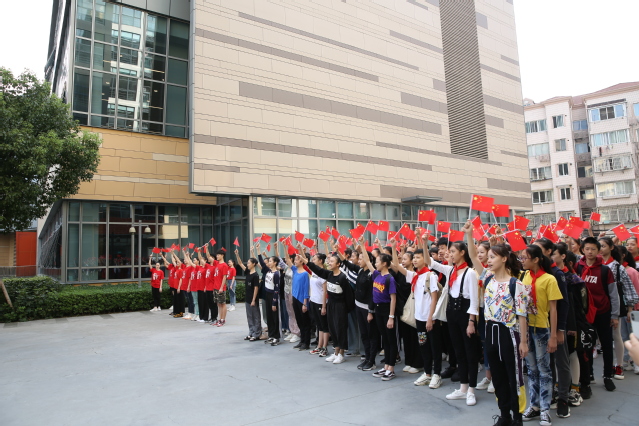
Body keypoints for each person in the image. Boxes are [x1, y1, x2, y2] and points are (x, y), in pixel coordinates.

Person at [426, 237, 480, 406]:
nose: (449, 254)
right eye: (449, 252)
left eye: (453, 252)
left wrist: (471, 322)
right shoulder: (450, 270)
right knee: (458, 351)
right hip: (452, 313)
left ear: (462, 253)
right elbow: (430, 262)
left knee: (470, 352)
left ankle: (471, 389)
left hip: (465, 314)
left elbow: (474, 301)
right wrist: (422, 241)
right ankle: (463, 387)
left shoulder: (470, 273)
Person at [482, 244, 529, 426]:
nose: (488, 261)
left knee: (514, 377)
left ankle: (517, 416)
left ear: (504, 259)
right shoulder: (488, 279)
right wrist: (469, 235)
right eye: (488, 257)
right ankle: (504, 415)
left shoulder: (516, 284)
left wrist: (523, 341)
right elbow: (473, 257)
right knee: (498, 376)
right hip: (490, 332)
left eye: (492, 257)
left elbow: (522, 315)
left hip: (508, 334)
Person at [393, 231, 443, 389]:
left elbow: (434, 298)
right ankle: (427, 373)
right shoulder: (415, 276)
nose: (414, 260)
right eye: (413, 257)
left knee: (434, 347)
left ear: (425, 259)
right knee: (424, 346)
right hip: (419, 319)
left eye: (418, 257)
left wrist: (430, 318)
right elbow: (396, 266)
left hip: (430, 319)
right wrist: (394, 248)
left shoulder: (430, 276)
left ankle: (437, 374)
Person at [521, 244, 562, 426]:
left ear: (536, 259)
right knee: (531, 369)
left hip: (542, 329)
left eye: (525, 257)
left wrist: (553, 336)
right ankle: (534, 405)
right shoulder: (524, 276)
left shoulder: (549, 279)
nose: (522, 261)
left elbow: (553, 309)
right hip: (526, 328)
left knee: (544, 369)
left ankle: (545, 408)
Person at [576, 237, 620, 393]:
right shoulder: (578, 267)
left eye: (593, 249)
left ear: (598, 251)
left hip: (603, 312)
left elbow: (613, 294)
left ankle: (607, 376)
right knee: (587, 346)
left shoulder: (605, 270)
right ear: (582, 250)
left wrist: (614, 315)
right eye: (587, 249)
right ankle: (589, 375)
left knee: (607, 345)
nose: (590, 252)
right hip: (585, 314)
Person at [535, 238, 570, 418]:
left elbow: (563, 304)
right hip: (541, 326)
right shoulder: (536, 272)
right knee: (546, 365)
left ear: (549, 251)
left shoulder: (556, 273)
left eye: (538, 249)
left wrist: (559, 330)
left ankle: (564, 398)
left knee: (561, 362)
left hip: (555, 327)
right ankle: (551, 396)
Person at [301, 242, 350, 365]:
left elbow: (348, 295)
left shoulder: (342, 277)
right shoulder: (329, 274)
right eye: (329, 261)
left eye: (332, 261)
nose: (329, 263)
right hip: (331, 305)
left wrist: (345, 309)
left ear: (338, 264)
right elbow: (316, 269)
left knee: (340, 329)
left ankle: (341, 353)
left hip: (340, 306)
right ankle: (336, 352)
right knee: (333, 328)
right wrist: (305, 260)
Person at [597, 236, 639, 380]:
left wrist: (630, 309)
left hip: (613, 305)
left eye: (603, 246)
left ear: (611, 247)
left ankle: (619, 365)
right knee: (601, 337)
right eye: (599, 246)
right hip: (596, 306)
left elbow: (629, 289)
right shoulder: (594, 265)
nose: (600, 249)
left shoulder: (617, 267)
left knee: (616, 335)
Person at [360, 249, 398, 381]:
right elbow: (367, 260)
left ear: (384, 263)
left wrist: (391, 317)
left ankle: (391, 368)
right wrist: (361, 245)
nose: (375, 264)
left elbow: (393, 299)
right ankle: (386, 366)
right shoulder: (376, 275)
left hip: (387, 310)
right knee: (385, 339)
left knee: (391, 340)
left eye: (377, 262)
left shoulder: (390, 279)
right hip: (378, 310)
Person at [348, 245, 379, 370]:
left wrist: (370, 311)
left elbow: (372, 294)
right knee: (364, 334)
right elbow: (347, 264)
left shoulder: (372, 274)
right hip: (359, 306)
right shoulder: (360, 270)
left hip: (368, 308)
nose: (358, 261)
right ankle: (366, 357)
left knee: (372, 335)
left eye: (361, 259)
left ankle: (372, 360)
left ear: (367, 260)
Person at [284, 245, 312, 351]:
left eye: (296, 260)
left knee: (305, 322)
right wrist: (284, 247)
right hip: (295, 298)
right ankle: (302, 340)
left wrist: (305, 303)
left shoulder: (305, 274)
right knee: (299, 321)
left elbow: (306, 289)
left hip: (302, 300)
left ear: (301, 262)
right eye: (295, 260)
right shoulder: (295, 270)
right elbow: (287, 259)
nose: (294, 261)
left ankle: (306, 342)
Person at [618, 245, 639, 373]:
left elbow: (636, 290)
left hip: (634, 308)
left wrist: (632, 309)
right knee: (624, 335)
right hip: (621, 308)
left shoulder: (631, 271)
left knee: (635, 335)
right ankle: (626, 360)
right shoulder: (615, 269)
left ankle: (637, 362)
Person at [235, 249, 262, 341]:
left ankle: (257, 333)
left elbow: (256, 288)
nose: (247, 264)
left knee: (256, 316)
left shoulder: (256, 275)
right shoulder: (247, 272)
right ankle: (251, 332)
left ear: (254, 264)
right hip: (247, 298)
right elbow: (240, 263)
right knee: (249, 316)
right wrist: (237, 254)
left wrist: (253, 300)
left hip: (253, 299)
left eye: (249, 263)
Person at [308, 253, 330, 357]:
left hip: (321, 302)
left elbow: (325, 291)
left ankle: (325, 347)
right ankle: (319, 346)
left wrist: (324, 306)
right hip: (313, 301)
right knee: (319, 325)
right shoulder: (314, 271)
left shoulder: (323, 273)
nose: (313, 260)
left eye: (314, 259)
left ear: (320, 261)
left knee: (324, 326)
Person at [259, 254, 281, 345]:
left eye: (270, 261)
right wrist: (259, 252)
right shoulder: (268, 271)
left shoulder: (276, 274)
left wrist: (274, 302)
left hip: (273, 296)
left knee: (274, 317)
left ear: (275, 263)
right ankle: (271, 335)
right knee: (269, 316)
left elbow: (276, 289)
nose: (269, 263)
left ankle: (276, 337)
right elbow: (262, 263)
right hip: (267, 295)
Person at [211, 249, 229, 327]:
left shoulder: (224, 265)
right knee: (219, 304)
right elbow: (209, 257)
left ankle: (223, 320)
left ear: (222, 255)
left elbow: (224, 277)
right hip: (215, 287)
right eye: (217, 255)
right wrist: (207, 249)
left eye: (218, 255)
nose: (217, 256)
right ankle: (220, 319)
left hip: (221, 287)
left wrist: (221, 287)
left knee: (223, 303)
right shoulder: (217, 263)